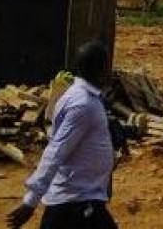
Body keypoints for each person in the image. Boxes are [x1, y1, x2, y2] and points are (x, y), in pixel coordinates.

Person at [7, 40, 118, 229]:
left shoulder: (77, 96)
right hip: (75, 205)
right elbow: (56, 151)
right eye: (105, 66)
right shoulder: (83, 104)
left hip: (82, 198)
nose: (109, 73)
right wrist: (31, 201)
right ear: (98, 69)